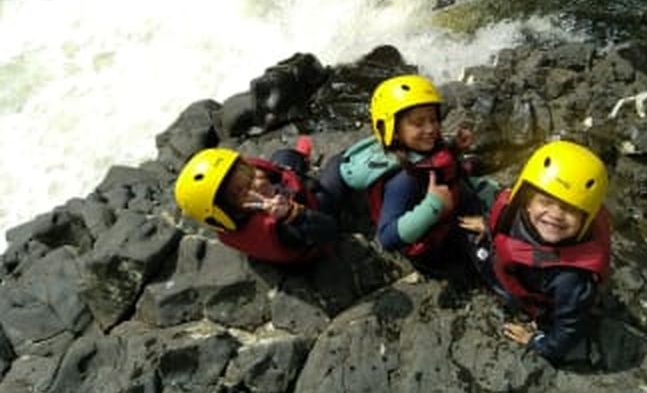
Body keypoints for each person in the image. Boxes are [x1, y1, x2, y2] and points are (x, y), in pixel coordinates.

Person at [317, 74, 492, 272]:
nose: (430, 129)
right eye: (418, 123)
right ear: (394, 131)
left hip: (442, 200)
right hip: (432, 236)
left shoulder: (418, 148)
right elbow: (387, 237)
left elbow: (433, 159)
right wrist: (433, 206)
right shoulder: (403, 180)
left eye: (434, 120)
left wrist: (455, 148)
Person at [459, 140, 611, 365]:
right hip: (512, 262)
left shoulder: (571, 278)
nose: (556, 215)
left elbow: (567, 331)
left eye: (569, 209)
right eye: (546, 202)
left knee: (476, 262)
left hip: (534, 295)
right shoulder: (514, 210)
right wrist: (487, 225)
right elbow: (509, 225)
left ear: (585, 219)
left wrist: (538, 342)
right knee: (462, 236)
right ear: (527, 201)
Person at [174, 138, 338, 264]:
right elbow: (330, 230)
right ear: (229, 213)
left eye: (249, 173)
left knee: (283, 156)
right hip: (313, 221)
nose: (258, 182)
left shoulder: (227, 220)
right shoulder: (278, 230)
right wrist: (292, 214)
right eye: (242, 192)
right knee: (337, 165)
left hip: (282, 199)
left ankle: (299, 162)